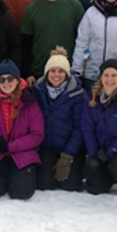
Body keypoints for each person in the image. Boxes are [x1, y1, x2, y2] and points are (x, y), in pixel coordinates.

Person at [0, 60, 44, 199]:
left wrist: (11, 146)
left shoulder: (29, 102)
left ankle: (16, 177)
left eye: (10, 79)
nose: (6, 83)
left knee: (22, 193)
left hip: (21, 153)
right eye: (2, 79)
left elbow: (37, 134)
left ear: (17, 80)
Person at [82, 59, 117, 196]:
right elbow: (87, 129)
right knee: (94, 187)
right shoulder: (92, 100)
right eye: (106, 75)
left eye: (114, 75)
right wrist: (93, 155)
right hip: (100, 148)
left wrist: (107, 152)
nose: (109, 79)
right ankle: (108, 177)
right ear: (101, 77)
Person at [32, 48, 87, 191]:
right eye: (53, 71)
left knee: (70, 186)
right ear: (47, 73)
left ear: (67, 74)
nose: (56, 75)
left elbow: (79, 127)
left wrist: (68, 155)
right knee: (45, 184)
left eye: (61, 71)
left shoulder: (78, 94)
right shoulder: (38, 91)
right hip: (47, 147)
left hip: (69, 148)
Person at [22, 0, 85, 87]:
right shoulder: (32, 9)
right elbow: (25, 45)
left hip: (67, 72)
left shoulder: (75, 6)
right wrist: (28, 73)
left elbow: (84, 41)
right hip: (39, 74)